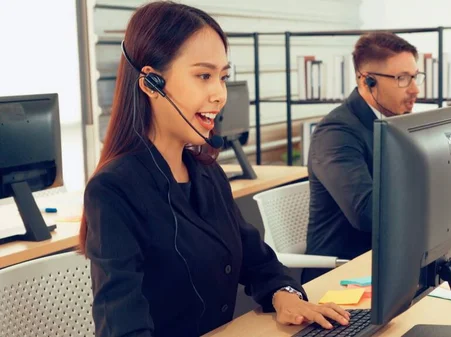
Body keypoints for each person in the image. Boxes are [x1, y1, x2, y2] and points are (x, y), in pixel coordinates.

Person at [79, 2, 349, 336]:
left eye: (223, 77)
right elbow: (122, 327)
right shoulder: (114, 189)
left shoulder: (206, 172)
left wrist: (285, 295)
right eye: (203, 75)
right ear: (151, 84)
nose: (219, 94)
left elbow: (260, 263)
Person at [302, 32, 423, 283]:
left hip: (390, 261)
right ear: (367, 81)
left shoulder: (394, 122)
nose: (415, 89)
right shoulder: (336, 133)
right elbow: (367, 213)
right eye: (402, 79)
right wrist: (440, 203)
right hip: (342, 276)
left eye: (414, 77)